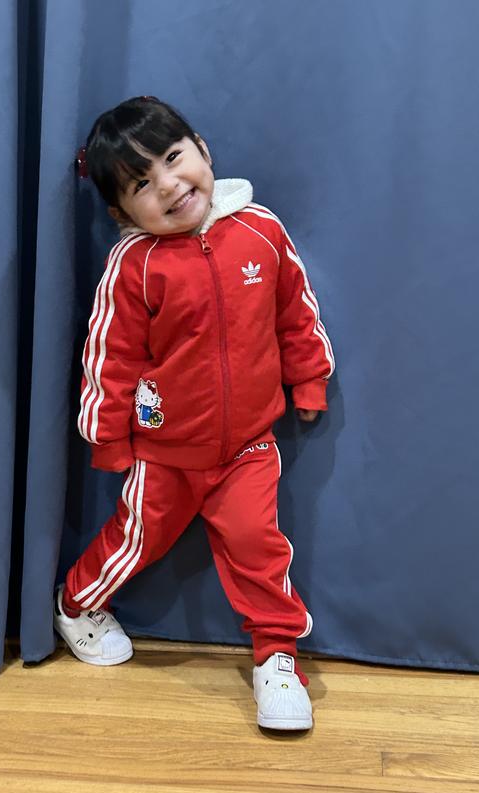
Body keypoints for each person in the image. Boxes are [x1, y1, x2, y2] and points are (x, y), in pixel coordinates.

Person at [54, 96, 335, 731]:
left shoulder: (261, 230)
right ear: (120, 212)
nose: (171, 186)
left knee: (259, 547)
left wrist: (309, 382)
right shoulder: (134, 265)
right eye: (142, 185)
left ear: (202, 150)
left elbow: (297, 313)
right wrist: (109, 438)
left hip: (248, 447)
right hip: (166, 452)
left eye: (174, 159)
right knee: (135, 540)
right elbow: (111, 357)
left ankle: (277, 659)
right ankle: (76, 604)